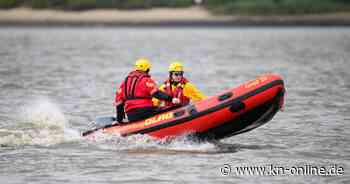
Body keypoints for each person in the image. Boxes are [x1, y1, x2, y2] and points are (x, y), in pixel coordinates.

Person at [114, 58, 180, 123]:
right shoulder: (146, 80)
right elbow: (156, 93)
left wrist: (119, 120)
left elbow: (119, 103)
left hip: (131, 114)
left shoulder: (124, 83)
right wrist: (171, 99)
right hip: (146, 110)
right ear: (147, 69)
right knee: (168, 109)